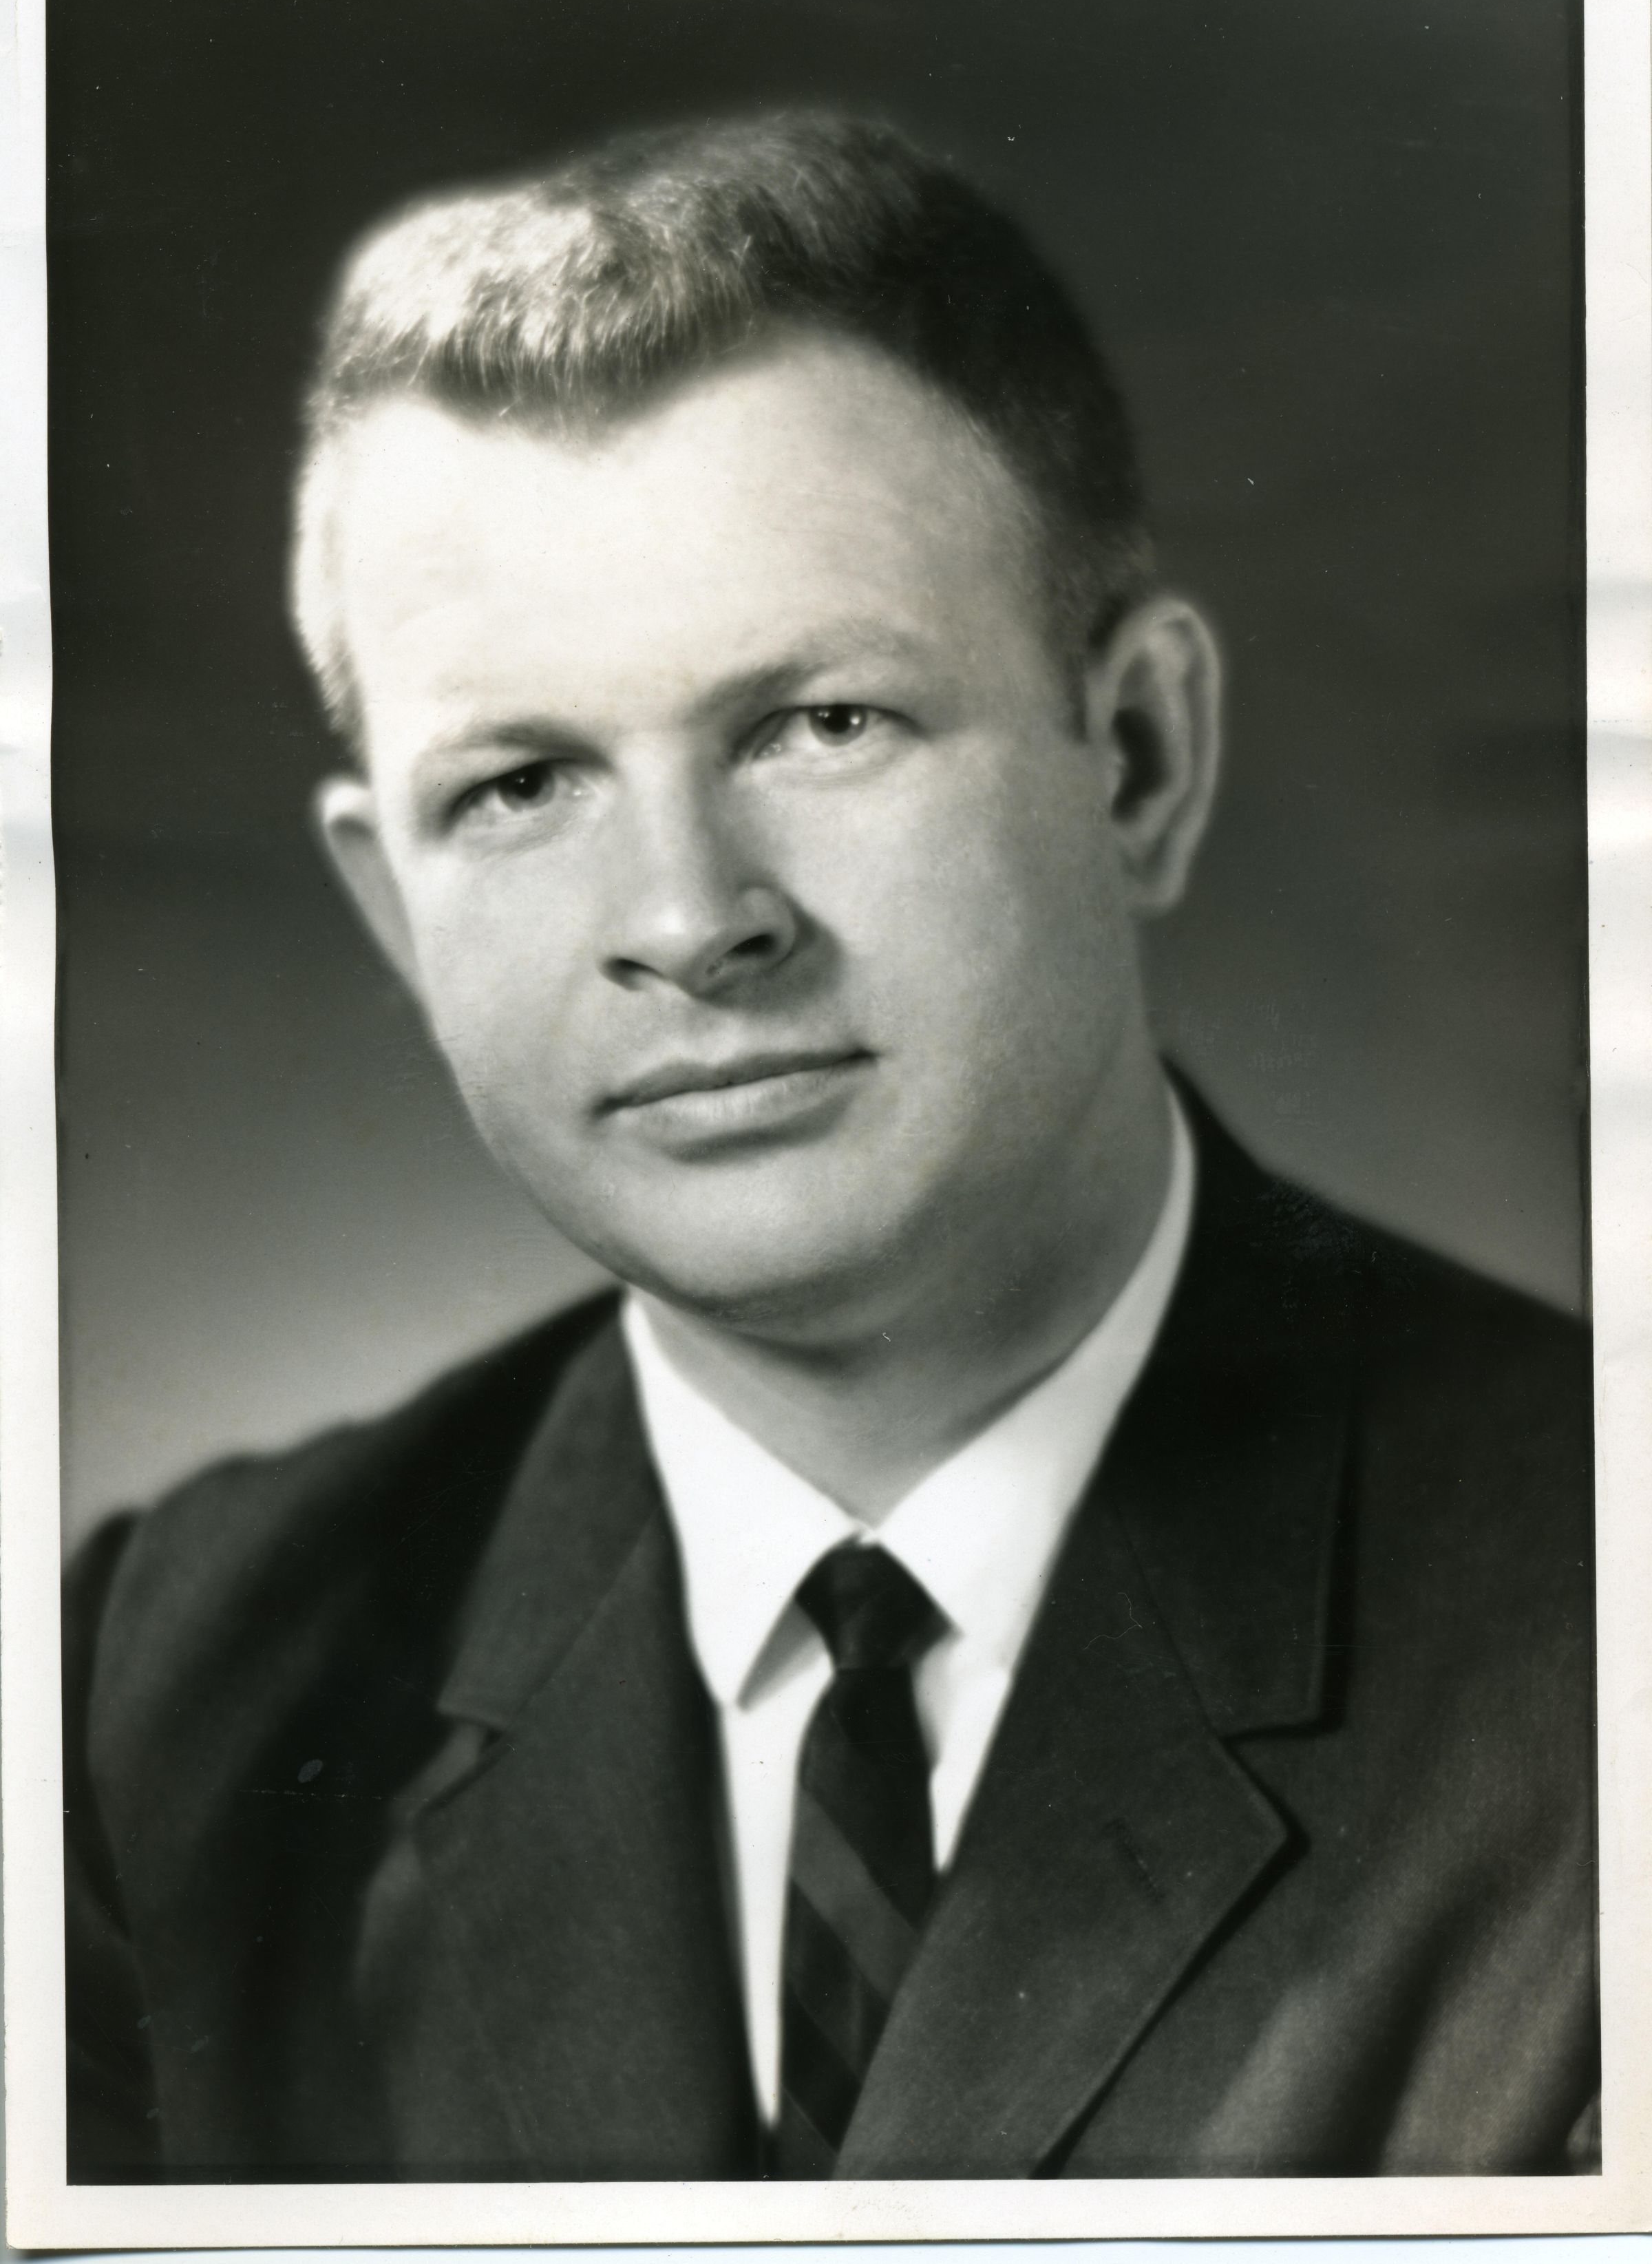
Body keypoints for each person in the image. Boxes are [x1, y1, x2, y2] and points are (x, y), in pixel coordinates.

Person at [63, 111, 1597, 2182]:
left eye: (823, 723)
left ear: (1138, 758)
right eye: (519, 786)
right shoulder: (150, 1699)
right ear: (395, 916)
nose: (690, 919)